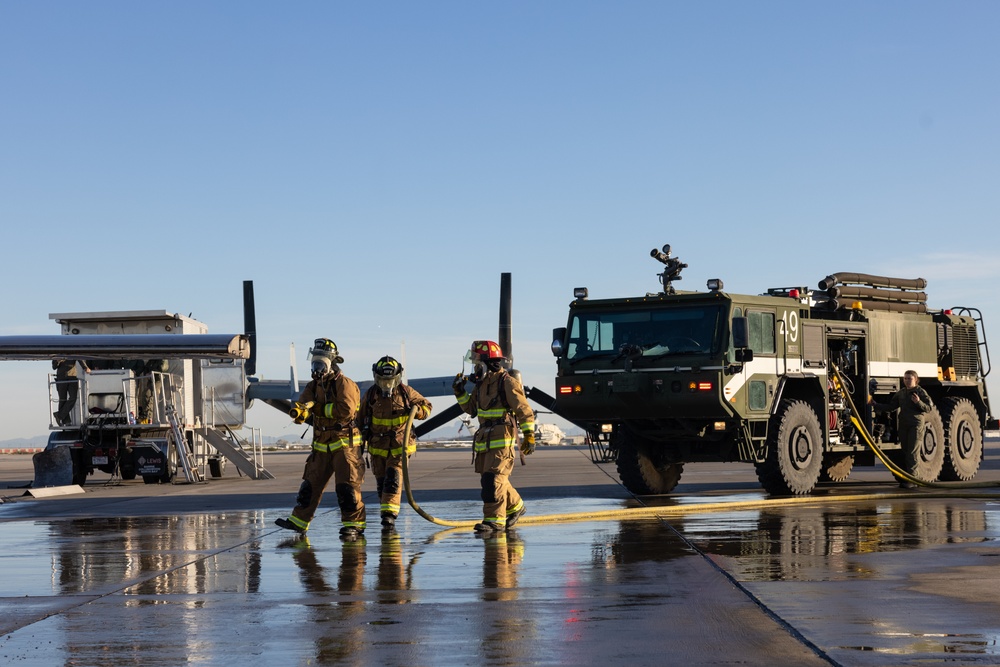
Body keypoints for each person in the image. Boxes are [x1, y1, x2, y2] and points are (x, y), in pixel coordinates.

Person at [276, 338, 365, 540]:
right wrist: (301, 413)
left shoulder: (345, 384)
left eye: (320, 363)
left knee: (347, 489)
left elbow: (346, 410)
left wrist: (316, 408)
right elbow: (304, 405)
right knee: (309, 487)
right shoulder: (313, 386)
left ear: (331, 363)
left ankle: (354, 525)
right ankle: (299, 522)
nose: (316, 367)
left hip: (345, 446)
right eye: (314, 362)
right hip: (321, 446)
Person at [453, 340, 535, 535]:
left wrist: (529, 435)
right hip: (484, 440)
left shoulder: (506, 382)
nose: (474, 367)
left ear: (487, 362)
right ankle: (516, 507)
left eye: (476, 362)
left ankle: (494, 521)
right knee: (493, 480)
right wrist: (459, 391)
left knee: (492, 481)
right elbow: (471, 409)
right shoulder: (481, 385)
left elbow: (523, 409)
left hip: (501, 439)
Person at [357, 356, 432, 532]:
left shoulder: (406, 393)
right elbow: (359, 421)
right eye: (383, 380)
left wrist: (418, 411)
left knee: (393, 479)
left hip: (400, 446)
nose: (386, 384)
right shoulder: (370, 395)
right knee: (382, 482)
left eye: (389, 380)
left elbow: (427, 406)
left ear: (396, 378)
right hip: (377, 448)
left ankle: (389, 516)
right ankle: (386, 513)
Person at [870, 369, 933, 487]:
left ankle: (913, 480)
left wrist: (918, 402)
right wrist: (876, 404)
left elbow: (929, 408)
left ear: (916, 379)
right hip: (904, 425)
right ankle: (909, 477)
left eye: (910, 378)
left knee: (912, 453)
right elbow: (891, 407)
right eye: (905, 378)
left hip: (915, 424)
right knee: (905, 451)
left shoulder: (920, 392)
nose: (907, 381)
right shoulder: (901, 393)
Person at [52, 358, 90, 426]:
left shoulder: (72, 350)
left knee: (73, 398)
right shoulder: (57, 353)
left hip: (72, 377)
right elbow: (54, 367)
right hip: (61, 378)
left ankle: (59, 416)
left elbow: (79, 358)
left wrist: (85, 367)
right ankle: (66, 421)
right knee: (62, 400)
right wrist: (57, 361)